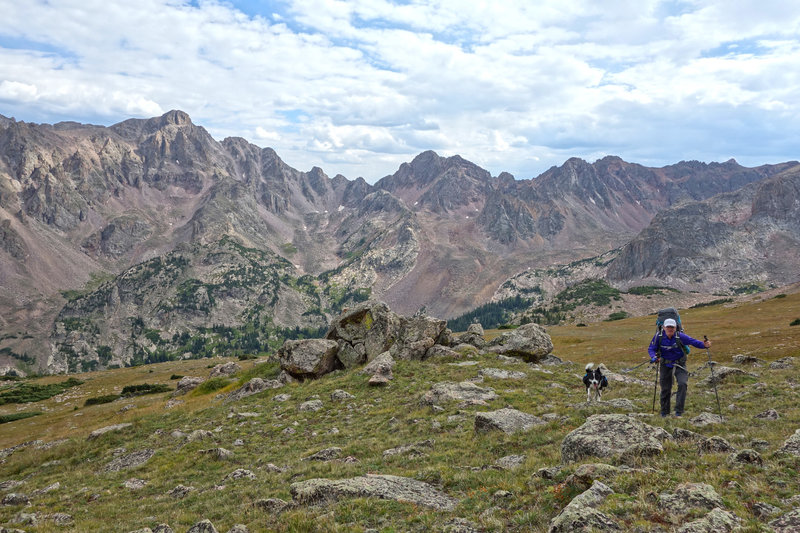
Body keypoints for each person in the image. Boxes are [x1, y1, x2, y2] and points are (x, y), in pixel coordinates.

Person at [648, 318, 710, 417]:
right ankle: (664, 412)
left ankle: (679, 412)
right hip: (665, 365)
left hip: (680, 364)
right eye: (668, 327)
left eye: (672, 327)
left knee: (682, 384)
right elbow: (651, 348)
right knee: (665, 388)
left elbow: (693, 342)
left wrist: (704, 345)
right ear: (663, 327)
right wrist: (653, 357)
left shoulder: (680, 336)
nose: (670, 329)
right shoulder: (658, 337)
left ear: (675, 328)